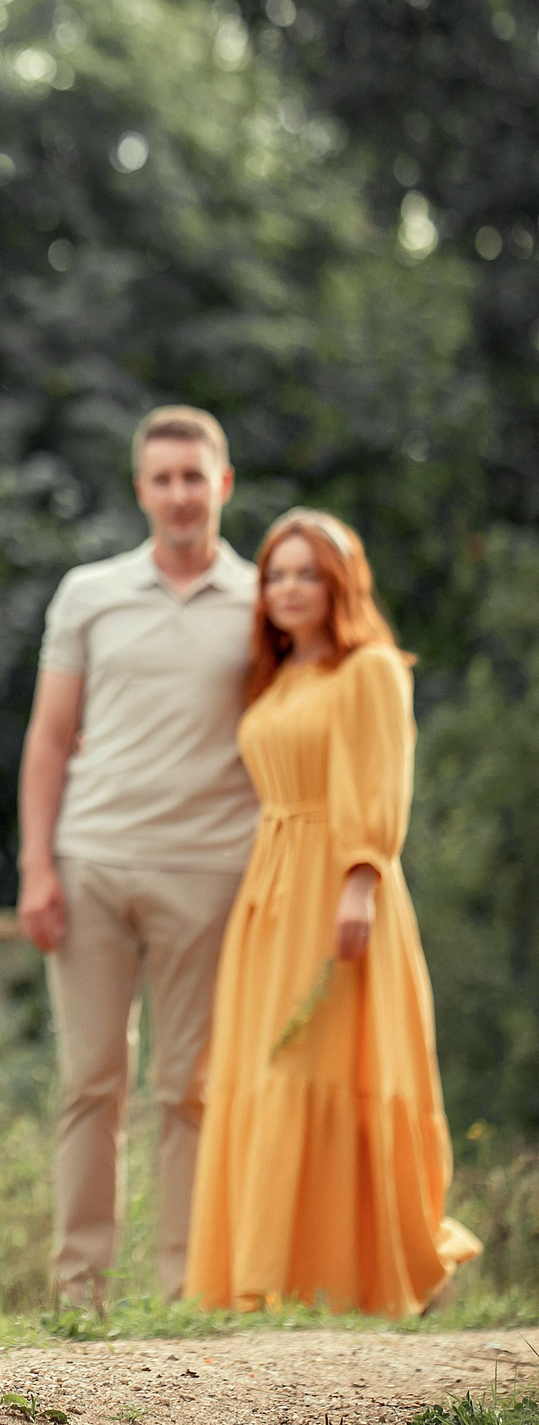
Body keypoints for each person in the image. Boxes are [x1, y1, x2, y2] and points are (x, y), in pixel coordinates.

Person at [185, 509, 480, 1313]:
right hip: (269, 887)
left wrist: (359, 880)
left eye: (305, 572)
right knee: (264, 1065)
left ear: (340, 583)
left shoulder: (372, 668)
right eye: (276, 574)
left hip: (337, 882)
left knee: (324, 1062)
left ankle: (347, 1273)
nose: (286, 588)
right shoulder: (277, 677)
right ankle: (263, 1276)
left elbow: (380, 783)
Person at [17, 406, 261, 1305]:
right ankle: (79, 1289)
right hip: (93, 867)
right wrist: (37, 866)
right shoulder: (89, 593)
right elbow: (49, 739)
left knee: (188, 1088)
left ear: (222, 484)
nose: (180, 495)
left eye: (194, 477)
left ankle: (185, 1290)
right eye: (162, 479)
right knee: (91, 1082)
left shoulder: (265, 597)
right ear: (140, 490)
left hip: (211, 870)